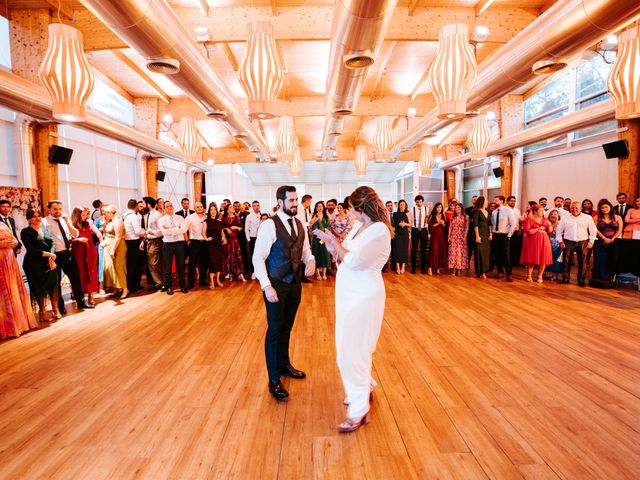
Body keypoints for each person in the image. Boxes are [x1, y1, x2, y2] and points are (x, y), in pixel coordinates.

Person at [313, 186, 392, 433]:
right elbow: (342, 254)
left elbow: (355, 261)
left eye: (350, 207)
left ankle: (358, 410)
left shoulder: (379, 230)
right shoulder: (359, 226)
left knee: (350, 351)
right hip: (349, 294)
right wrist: (330, 243)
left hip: (364, 295)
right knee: (354, 347)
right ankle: (363, 388)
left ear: (360, 207)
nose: (348, 212)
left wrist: (335, 242)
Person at [252, 185, 316, 401]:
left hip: (295, 284)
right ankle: (273, 379)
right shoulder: (269, 225)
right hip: (276, 285)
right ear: (280, 202)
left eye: (296, 200)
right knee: (275, 330)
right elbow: (258, 257)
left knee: (287, 328)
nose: (295, 204)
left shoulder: (299, 224)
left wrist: (311, 260)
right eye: (291, 201)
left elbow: (305, 249)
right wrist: (266, 285)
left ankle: (285, 365)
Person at [42, 200, 93, 312]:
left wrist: (68, 222)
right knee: (56, 282)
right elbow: (44, 241)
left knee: (76, 279)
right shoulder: (44, 222)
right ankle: (60, 307)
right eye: (55, 209)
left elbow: (75, 234)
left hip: (68, 253)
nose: (58, 211)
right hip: (55, 255)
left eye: (60, 209)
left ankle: (81, 302)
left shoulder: (64, 220)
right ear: (49, 209)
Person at [20, 209, 59, 321]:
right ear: (28, 219)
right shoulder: (25, 232)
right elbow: (32, 250)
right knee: (38, 288)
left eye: (39, 216)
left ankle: (55, 310)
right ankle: (42, 312)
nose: (37, 218)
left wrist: (51, 259)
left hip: (49, 262)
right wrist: (50, 255)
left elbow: (52, 243)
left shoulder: (45, 229)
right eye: (33, 216)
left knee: (54, 286)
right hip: (33, 264)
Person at [0, 220, 37, 339]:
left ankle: (18, 323)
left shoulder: (2, 224)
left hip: (10, 261)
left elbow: (15, 240)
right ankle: (7, 327)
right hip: (1, 263)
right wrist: (7, 242)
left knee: (13, 291)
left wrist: (9, 242)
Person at [556, 201, 597, 286]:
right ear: (570, 208)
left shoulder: (587, 217)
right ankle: (565, 278)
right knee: (566, 262)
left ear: (580, 208)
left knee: (583, 262)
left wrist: (591, 241)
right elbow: (559, 230)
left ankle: (581, 280)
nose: (574, 209)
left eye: (576, 208)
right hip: (568, 241)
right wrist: (560, 241)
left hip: (583, 241)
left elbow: (593, 230)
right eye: (572, 208)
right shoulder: (565, 217)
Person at [70, 207, 101, 305]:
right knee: (80, 273)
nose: (85, 217)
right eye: (82, 215)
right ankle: (81, 295)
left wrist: (102, 241)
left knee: (91, 272)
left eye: (86, 214)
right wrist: (77, 240)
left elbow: (97, 232)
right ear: (77, 215)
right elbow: (68, 240)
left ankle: (91, 295)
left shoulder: (88, 223)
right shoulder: (71, 225)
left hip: (90, 250)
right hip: (78, 251)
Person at [159, 201, 189, 295]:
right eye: (167, 206)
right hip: (167, 245)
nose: (169, 207)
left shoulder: (179, 218)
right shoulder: (161, 220)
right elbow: (164, 232)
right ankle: (168, 287)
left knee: (181, 266)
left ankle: (183, 286)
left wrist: (169, 229)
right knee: (167, 267)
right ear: (164, 208)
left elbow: (184, 229)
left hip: (179, 244)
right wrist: (177, 229)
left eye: (171, 205)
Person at [592, 199, 623, 280]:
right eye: (602, 208)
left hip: (614, 241)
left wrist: (612, 239)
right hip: (599, 241)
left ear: (610, 207)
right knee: (598, 258)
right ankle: (597, 278)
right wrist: (604, 238)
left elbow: (620, 230)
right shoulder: (596, 217)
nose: (604, 209)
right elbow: (595, 229)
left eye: (606, 207)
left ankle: (609, 278)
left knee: (611, 259)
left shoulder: (618, 217)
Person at [520, 205, 553, 283]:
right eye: (540, 211)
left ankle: (540, 276)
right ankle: (529, 275)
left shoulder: (545, 220)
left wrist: (550, 225)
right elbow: (527, 231)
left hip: (544, 240)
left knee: (543, 259)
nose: (542, 212)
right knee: (532, 258)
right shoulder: (529, 219)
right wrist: (537, 229)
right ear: (535, 211)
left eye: (543, 211)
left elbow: (550, 232)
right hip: (532, 240)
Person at [102, 205, 129, 299]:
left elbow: (118, 237)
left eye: (106, 213)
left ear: (111, 213)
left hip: (118, 247)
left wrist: (113, 250)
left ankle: (125, 289)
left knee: (119, 267)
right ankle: (117, 287)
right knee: (111, 268)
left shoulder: (118, 222)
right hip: (109, 246)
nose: (105, 214)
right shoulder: (109, 222)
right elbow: (106, 234)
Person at [491, 195, 517, 282]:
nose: (494, 201)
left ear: (501, 201)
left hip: (505, 235)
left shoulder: (508, 210)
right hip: (495, 235)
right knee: (497, 254)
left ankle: (509, 274)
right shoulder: (494, 212)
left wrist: (509, 235)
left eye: (496, 200)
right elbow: (492, 224)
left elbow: (513, 224)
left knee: (506, 255)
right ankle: (499, 272)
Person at [122, 198, 146, 293]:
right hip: (134, 242)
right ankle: (134, 285)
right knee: (136, 265)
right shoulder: (134, 216)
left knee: (129, 265)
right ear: (136, 206)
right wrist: (145, 232)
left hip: (126, 241)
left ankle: (129, 285)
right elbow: (138, 231)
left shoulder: (123, 215)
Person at [185, 201, 209, 289]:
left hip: (205, 242)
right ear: (195, 208)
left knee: (204, 262)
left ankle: (202, 280)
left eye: (201, 206)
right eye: (198, 207)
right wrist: (187, 240)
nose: (199, 208)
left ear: (203, 207)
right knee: (192, 264)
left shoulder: (206, 217)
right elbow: (184, 230)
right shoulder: (190, 217)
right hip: (194, 242)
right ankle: (190, 283)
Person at [203, 203, 226, 289]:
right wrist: (206, 238)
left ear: (217, 211)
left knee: (218, 262)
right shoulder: (206, 221)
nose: (213, 211)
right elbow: (203, 232)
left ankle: (218, 280)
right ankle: (212, 282)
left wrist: (223, 237)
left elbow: (222, 232)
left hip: (218, 244)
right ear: (209, 211)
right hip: (211, 244)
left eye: (214, 210)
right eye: (211, 210)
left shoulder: (219, 221)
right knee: (212, 262)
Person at [221, 203, 246, 283]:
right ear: (227, 210)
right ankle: (230, 273)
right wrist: (226, 229)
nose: (232, 208)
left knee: (237, 257)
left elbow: (241, 228)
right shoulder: (224, 218)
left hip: (235, 240)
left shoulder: (237, 218)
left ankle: (240, 274)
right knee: (228, 257)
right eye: (231, 207)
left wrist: (236, 227)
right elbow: (221, 228)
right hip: (228, 241)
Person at [310, 201, 331, 280]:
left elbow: (329, 227)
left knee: (325, 254)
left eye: (321, 206)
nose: (320, 207)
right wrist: (322, 232)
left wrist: (325, 233)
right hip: (317, 238)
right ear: (316, 208)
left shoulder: (326, 216)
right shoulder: (314, 216)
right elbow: (314, 227)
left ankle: (324, 272)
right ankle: (317, 272)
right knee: (316, 254)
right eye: (318, 206)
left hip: (325, 238)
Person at [471, 196, 491, 279]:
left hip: (486, 234)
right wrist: (477, 236)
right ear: (482, 202)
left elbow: (490, 224)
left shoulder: (487, 211)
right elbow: (475, 225)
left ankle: (484, 271)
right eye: (486, 201)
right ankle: (479, 271)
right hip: (479, 234)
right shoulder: (477, 212)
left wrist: (491, 234)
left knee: (486, 253)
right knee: (479, 253)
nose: (487, 202)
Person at [296, 194, 313, 284]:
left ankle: (303, 275)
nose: (310, 203)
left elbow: (305, 222)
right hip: (300, 235)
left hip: (305, 234)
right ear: (306, 201)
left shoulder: (305, 210)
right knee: (300, 256)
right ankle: (299, 276)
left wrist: (309, 223)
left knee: (304, 254)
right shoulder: (299, 209)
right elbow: (300, 223)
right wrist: (308, 224)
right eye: (310, 201)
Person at [447, 203, 469, 276]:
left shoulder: (466, 217)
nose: (457, 209)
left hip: (461, 236)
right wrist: (449, 236)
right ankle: (453, 269)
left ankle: (459, 270)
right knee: (453, 253)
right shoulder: (452, 216)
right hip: (453, 236)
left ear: (462, 208)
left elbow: (467, 227)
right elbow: (450, 227)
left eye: (459, 207)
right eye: (456, 207)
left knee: (460, 253)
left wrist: (465, 237)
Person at [427, 202, 447, 275]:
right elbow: (430, 226)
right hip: (434, 236)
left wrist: (443, 224)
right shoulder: (432, 216)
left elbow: (445, 227)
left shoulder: (443, 215)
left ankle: (437, 268)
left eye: (440, 207)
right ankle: (430, 268)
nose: (439, 209)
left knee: (440, 251)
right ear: (435, 208)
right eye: (438, 207)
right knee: (433, 250)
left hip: (441, 236)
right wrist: (438, 223)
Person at [410, 195, 429, 274]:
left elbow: (427, 219)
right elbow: (410, 220)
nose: (418, 203)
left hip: (424, 230)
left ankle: (423, 268)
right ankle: (413, 268)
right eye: (417, 202)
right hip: (415, 230)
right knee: (414, 250)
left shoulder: (426, 209)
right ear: (415, 202)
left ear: (422, 201)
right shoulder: (412, 209)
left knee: (423, 250)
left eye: (420, 202)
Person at [391, 199, 410, 274]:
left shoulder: (408, 213)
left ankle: (403, 267)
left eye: (403, 205)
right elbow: (393, 224)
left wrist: (405, 224)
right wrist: (399, 224)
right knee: (397, 250)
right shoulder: (395, 214)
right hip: (397, 233)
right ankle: (398, 267)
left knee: (404, 250)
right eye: (401, 204)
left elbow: (410, 224)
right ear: (399, 205)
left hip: (405, 234)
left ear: (405, 206)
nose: (402, 206)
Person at [245, 200, 262, 279]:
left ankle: (261, 272)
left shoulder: (262, 215)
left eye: (257, 205)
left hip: (261, 238)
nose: (256, 207)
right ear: (252, 207)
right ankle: (253, 272)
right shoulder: (249, 216)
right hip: (253, 238)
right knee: (253, 256)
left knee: (261, 256)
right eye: (254, 206)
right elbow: (246, 228)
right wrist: (248, 239)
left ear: (259, 206)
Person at [547, 209, 564, 280]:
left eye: (555, 214)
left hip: (558, 244)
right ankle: (544, 272)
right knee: (546, 258)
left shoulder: (561, 223)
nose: (553, 215)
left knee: (556, 259)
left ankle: (555, 274)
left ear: (558, 216)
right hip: (547, 243)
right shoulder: (547, 223)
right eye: (551, 214)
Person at [93, 207, 106, 290]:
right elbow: (94, 233)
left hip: (110, 243)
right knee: (101, 264)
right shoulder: (97, 220)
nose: (104, 212)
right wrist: (102, 228)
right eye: (103, 210)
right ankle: (101, 286)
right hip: (101, 244)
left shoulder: (113, 220)